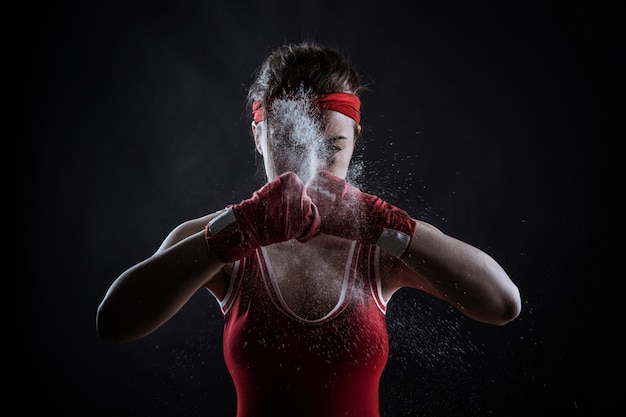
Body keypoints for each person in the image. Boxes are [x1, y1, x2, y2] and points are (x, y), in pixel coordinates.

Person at [96, 41, 521, 417]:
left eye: (332, 147)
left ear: (355, 137)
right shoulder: (218, 240)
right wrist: (234, 232)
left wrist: (385, 224)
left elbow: (503, 304)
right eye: (286, 144)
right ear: (258, 138)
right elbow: (114, 323)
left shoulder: (382, 240)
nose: (310, 165)